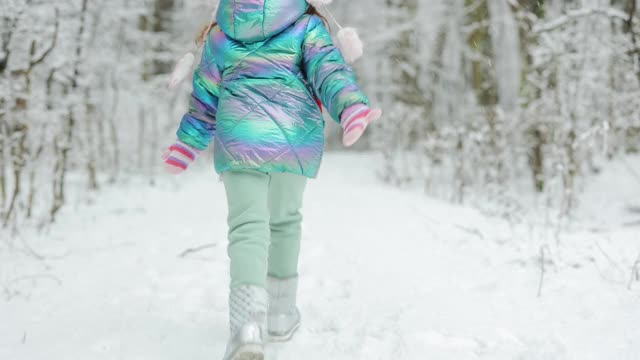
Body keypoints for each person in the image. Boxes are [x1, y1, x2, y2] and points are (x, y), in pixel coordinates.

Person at [162, 0, 381, 359]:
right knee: (283, 222)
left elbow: (205, 95)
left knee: (247, 226)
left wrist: (187, 143)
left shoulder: (221, 32)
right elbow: (329, 72)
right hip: (293, 138)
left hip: (238, 137)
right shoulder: (306, 26)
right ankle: (279, 314)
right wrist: (351, 107)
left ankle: (247, 324)